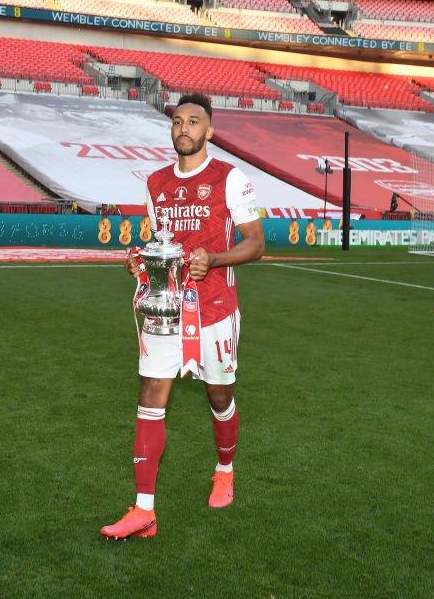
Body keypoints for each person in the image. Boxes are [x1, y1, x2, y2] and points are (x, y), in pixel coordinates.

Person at [100, 93, 265, 540]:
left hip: (214, 310)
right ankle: (143, 510)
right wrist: (140, 261)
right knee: (151, 395)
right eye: (177, 121)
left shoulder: (231, 179)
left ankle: (225, 470)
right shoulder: (155, 183)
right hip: (166, 308)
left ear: (209, 132)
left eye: (194, 122)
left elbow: (256, 243)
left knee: (218, 395)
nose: (184, 128)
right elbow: (160, 243)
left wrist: (214, 259)